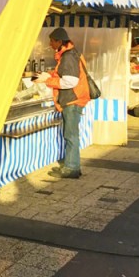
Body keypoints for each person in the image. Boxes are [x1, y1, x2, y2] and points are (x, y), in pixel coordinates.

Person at [34, 28, 91, 179]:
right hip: (74, 99)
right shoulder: (69, 54)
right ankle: (73, 166)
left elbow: (70, 81)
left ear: (59, 41)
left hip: (73, 100)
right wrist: (50, 75)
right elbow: (65, 75)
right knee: (71, 135)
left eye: (52, 40)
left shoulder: (68, 56)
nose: (50, 43)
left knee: (70, 135)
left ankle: (71, 168)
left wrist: (47, 80)